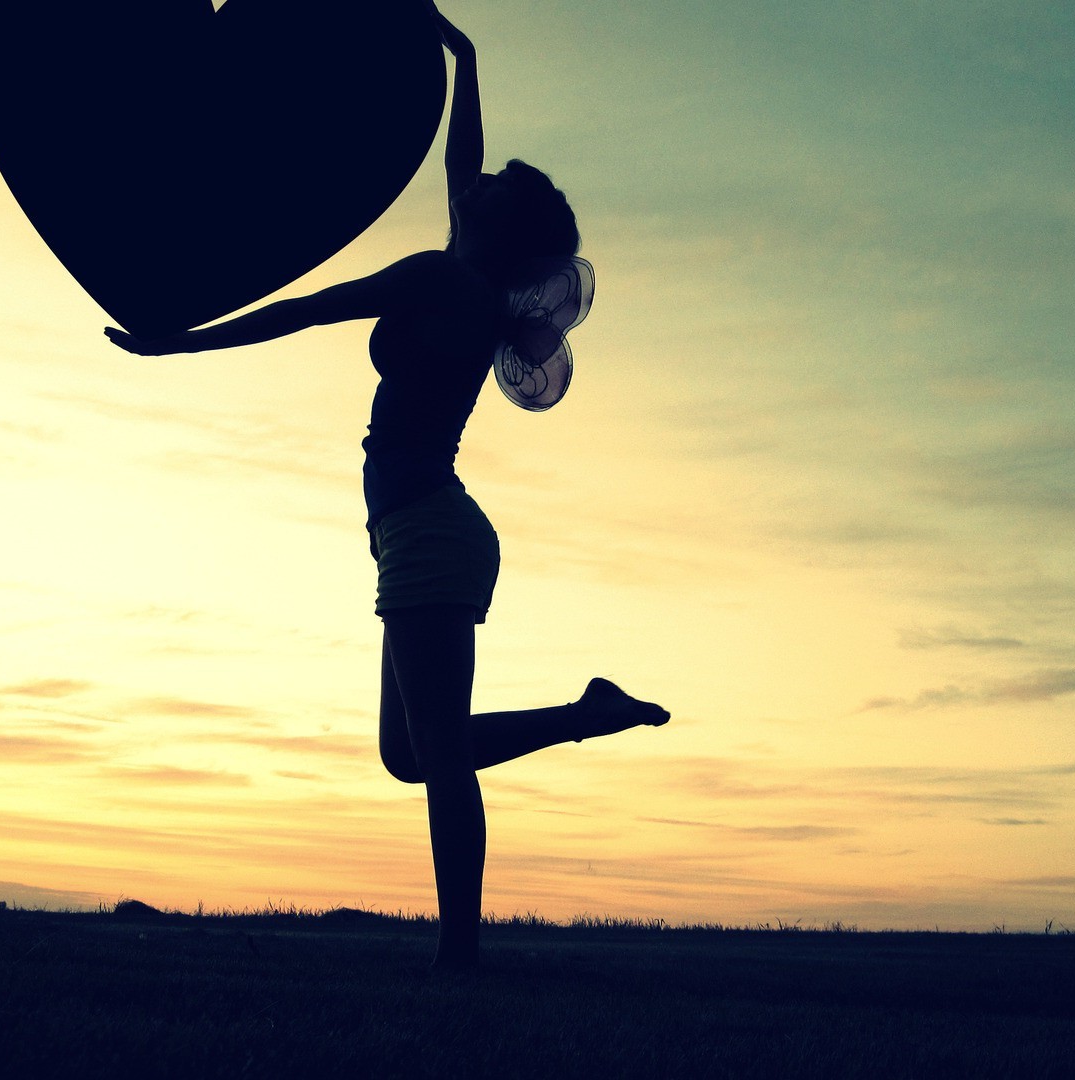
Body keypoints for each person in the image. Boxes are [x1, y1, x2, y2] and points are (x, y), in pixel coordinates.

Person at [107, 3, 668, 971]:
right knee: (410, 753)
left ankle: (461, 960)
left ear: (499, 229)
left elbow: (306, 312)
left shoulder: (438, 282)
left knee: (439, 757)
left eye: (493, 190)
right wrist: (462, 54)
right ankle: (587, 714)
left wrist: (181, 339)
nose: (476, 181)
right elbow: (465, 164)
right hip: (417, 526)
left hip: (427, 527)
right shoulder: (471, 277)